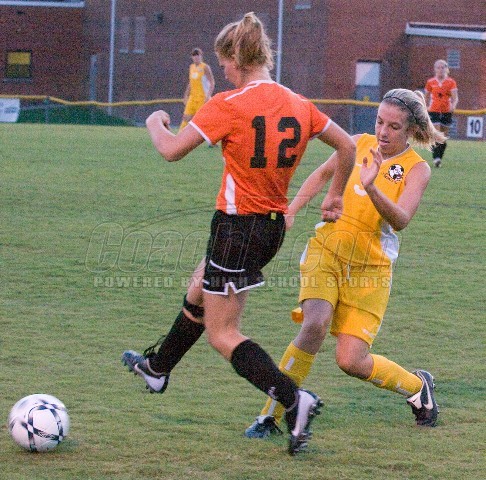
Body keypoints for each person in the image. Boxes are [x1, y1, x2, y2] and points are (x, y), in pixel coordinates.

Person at [121, 12, 356, 455]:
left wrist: (154, 122)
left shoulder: (229, 104)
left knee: (223, 333)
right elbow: (347, 145)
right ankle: (157, 368)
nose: (223, 71)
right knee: (199, 285)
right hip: (270, 228)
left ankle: (294, 401)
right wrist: (335, 196)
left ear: (238, 59)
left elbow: (171, 150)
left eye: (224, 63)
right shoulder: (299, 103)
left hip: (236, 228)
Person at [244, 88, 446, 439]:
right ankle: (270, 416)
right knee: (314, 324)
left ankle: (418, 388)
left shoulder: (418, 169)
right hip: (327, 251)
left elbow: (401, 220)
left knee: (351, 361)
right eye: (379, 122)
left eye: (394, 126)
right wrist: (290, 211)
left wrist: (372, 187)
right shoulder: (355, 143)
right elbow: (322, 174)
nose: (382, 132)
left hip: (371, 271)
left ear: (411, 130)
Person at [424, 59, 458, 167]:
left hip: (446, 111)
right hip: (434, 110)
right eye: (438, 67)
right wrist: (425, 106)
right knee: (436, 134)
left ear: (446, 69)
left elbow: (455, 98)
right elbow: (426, 97)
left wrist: (453, 106)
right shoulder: (430, 82)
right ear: (435, 69)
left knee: (443, 137)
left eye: (443, 67)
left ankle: (439, 158)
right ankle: (436, 158)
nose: (440, 70)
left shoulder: (451, 82)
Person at [178, 47, 215, 132]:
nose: (196, 57)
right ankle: (180, 135)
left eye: (198, 55)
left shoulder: (205, 67)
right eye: (194, 55)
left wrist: (208, 96)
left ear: (201, 56)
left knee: (201, 120)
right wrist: (186, 95)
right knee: (186, 117)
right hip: (193, 97)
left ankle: (209, 137)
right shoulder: (191, 67)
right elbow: (191, 82)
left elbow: (212, 82)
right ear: (192, 57)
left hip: (202, 97)